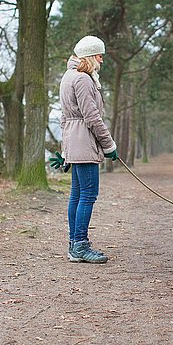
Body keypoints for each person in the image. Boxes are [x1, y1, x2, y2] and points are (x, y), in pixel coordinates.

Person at [49, 35, 118, 264]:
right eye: (99, 55)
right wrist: (109, 146)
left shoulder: (69, 76)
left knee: (77, 195)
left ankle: (74, 244)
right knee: (88, 195)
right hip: (85, 144)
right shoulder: (83, 79)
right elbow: (92, 117)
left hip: (75, 143)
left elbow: (64, 119)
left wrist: (65, 150)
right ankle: (79, 245)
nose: (102, 60)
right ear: (89, 56)